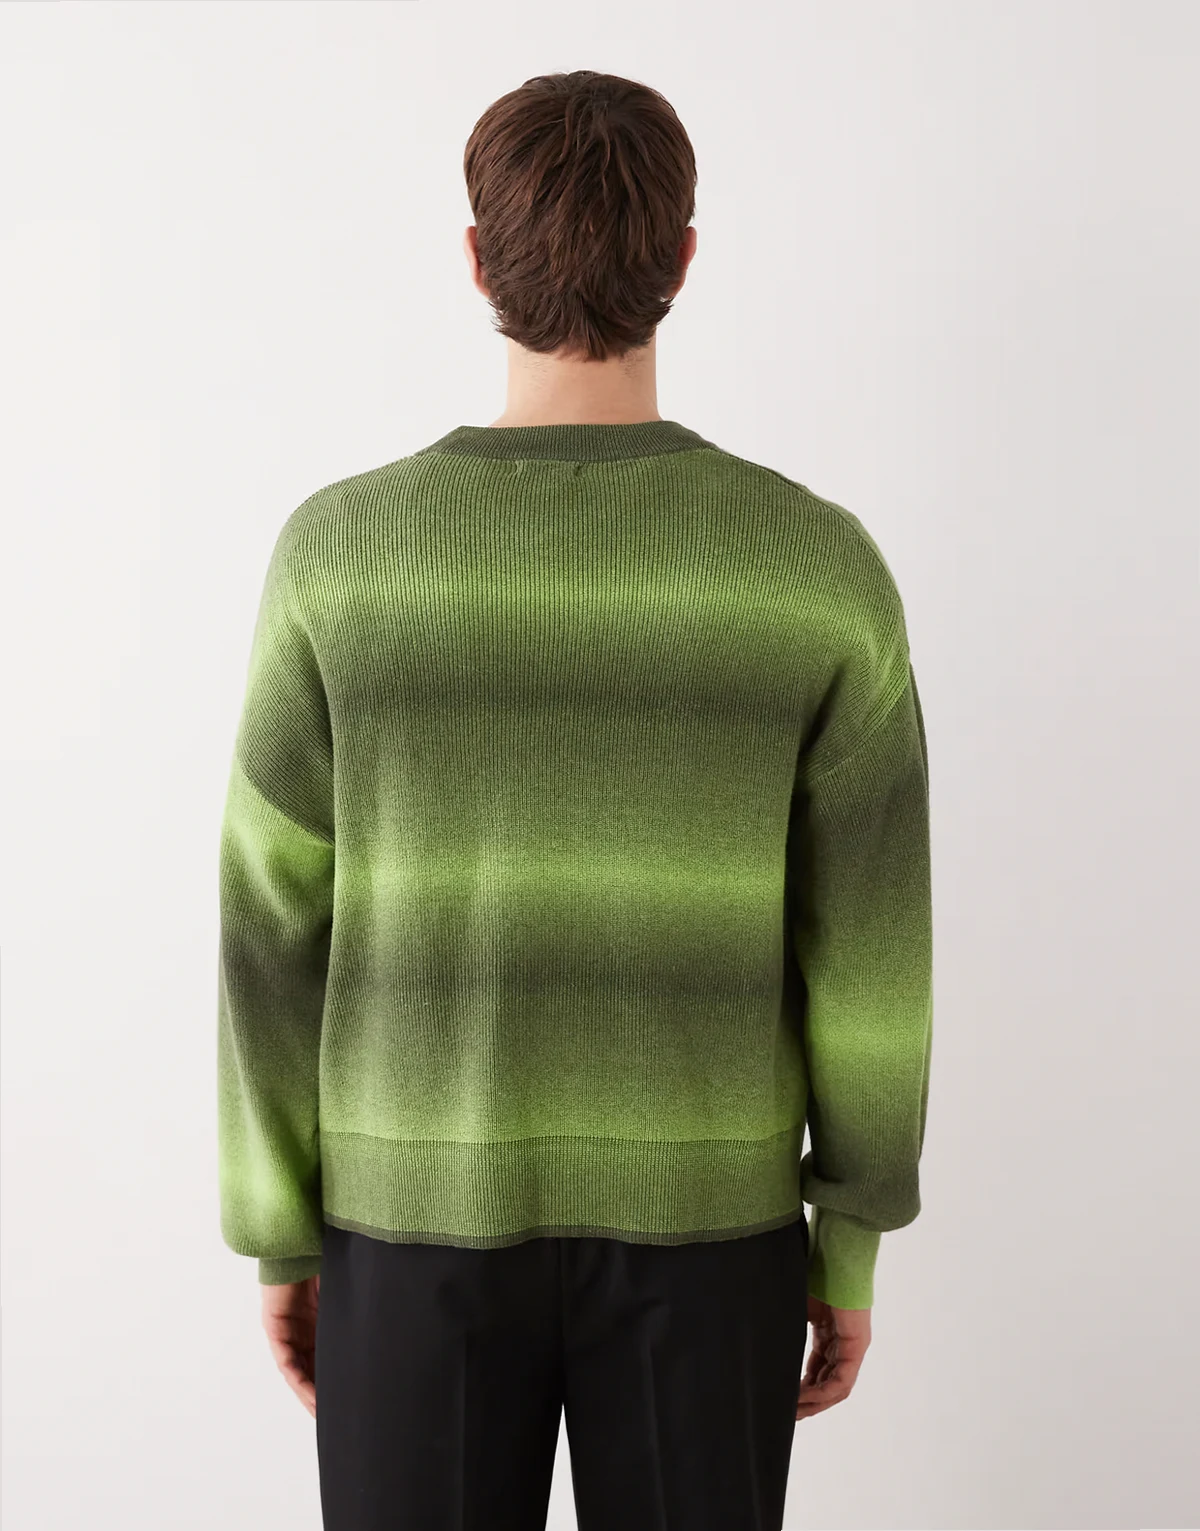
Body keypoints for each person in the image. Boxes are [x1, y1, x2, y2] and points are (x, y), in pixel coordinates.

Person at [216, 68, 933, 1531]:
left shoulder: (344, 558)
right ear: (684, 256)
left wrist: (280, 1229)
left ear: (477, 258)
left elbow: (268, 924)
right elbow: (872, 946)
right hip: (713, 1231)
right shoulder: (812, 567)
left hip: (408, 1225)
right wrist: (851, 1231)